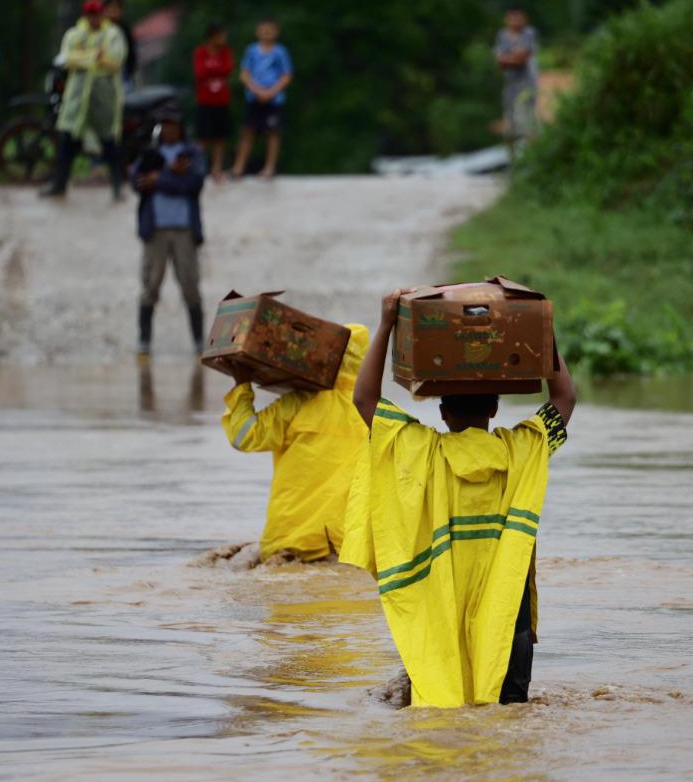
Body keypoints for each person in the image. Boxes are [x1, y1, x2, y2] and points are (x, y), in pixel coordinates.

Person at [341, 288, 576, 709]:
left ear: (443, 412)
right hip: (509, 612)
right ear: (494, 408)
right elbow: (564, 398)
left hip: (441, 602)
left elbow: (364, 399)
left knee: (444, 706)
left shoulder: (422, 451)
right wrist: (541, 331)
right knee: (508, 717)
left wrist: (386, 323)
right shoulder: (522, 450)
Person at [221, 324, 370, 564]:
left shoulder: (299, 402)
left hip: (290, 541)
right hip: (348, 545)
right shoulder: (372, 411)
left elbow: (244, 436)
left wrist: (242, 385)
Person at [134, 107, 206, 354]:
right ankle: (144, 343)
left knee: (191, 286)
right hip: (155, 230)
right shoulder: (151, 153)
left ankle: (198, 343)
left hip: (185, 229)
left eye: (173, 125)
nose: (168, 130)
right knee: (150, 285)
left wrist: (159, 180)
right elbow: (136, 180)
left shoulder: (192, 153)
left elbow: (194, 183)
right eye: (164, 125)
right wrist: (167, 176)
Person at [42, 0, 126, 199]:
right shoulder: (74, 34)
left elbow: (115, 60)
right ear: (85, 15)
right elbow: (67, 59)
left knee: (109, 141)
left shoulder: (113, 34)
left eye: (96, 14)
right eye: (90, 14)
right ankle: (59, 185)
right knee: (67, 141)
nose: (93, 18)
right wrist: (93, 56)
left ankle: (117, 188)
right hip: (77, 99)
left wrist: (85, 56)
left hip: (103, 98)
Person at [232, 18, 293, 180]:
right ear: (257, 31)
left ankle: (269, 167)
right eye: (263, 30)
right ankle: (239, 167)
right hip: (254, 97)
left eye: (270, 30)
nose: (266, 33)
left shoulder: (280, 52)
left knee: (273, 133)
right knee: (248, 131)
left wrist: (271, 92)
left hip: (274, 98)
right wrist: (257, 90)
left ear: (276, 32)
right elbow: (244, 74)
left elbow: (286, 75)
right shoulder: (251, 50)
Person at [493, 7, 540, 160]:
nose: (515, 21)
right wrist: (514, 57)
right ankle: (512, 161)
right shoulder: (502, 35)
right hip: (509, 86)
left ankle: (534, 158)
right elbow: (500, 61)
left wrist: (509, 58)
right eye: (512, 18)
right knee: (509, 125)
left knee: (527, 122)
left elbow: (522, 58)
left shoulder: (529, 33)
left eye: (518, 17)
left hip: (526, 85)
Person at [193, 22, 235, 183]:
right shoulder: (201, 52)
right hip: (205, 100)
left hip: (221, 100)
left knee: (220, 137)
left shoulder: (226, 52)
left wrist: (212, 71)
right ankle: (199, 168)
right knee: (202, 137)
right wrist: (216, 71)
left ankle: (217, 169)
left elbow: (228, 69)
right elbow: (200, 72)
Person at [104, 0, 137, 89]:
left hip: (122, 69)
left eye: (116, 9)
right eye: (110, 9)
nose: (113, 12)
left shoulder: (124, 28)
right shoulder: (101, 29)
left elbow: (131, 50)